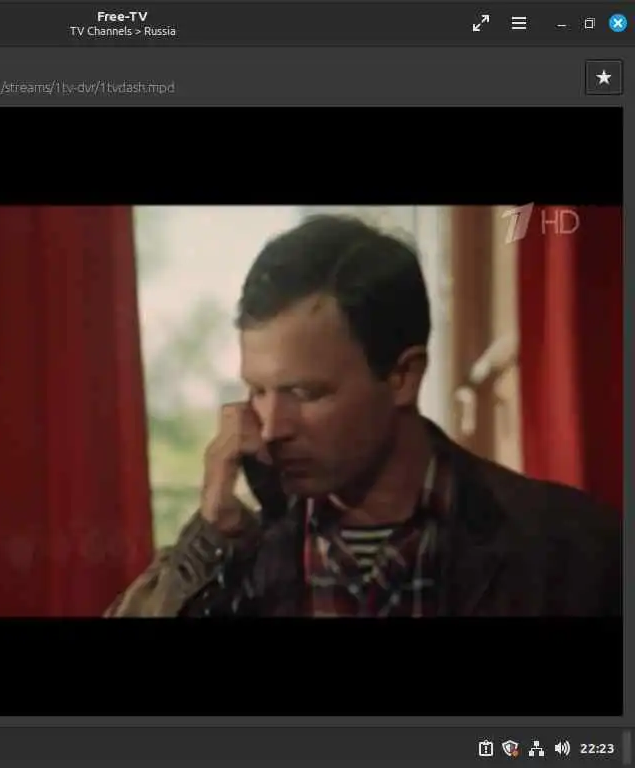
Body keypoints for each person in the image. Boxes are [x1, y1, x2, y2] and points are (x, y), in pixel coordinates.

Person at [107, 215, 620, 618]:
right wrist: (210, 538)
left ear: (403, 376)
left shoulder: (568, 548)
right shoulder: (239, 555)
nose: (272, 427)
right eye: (257, 391)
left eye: (305, 393)